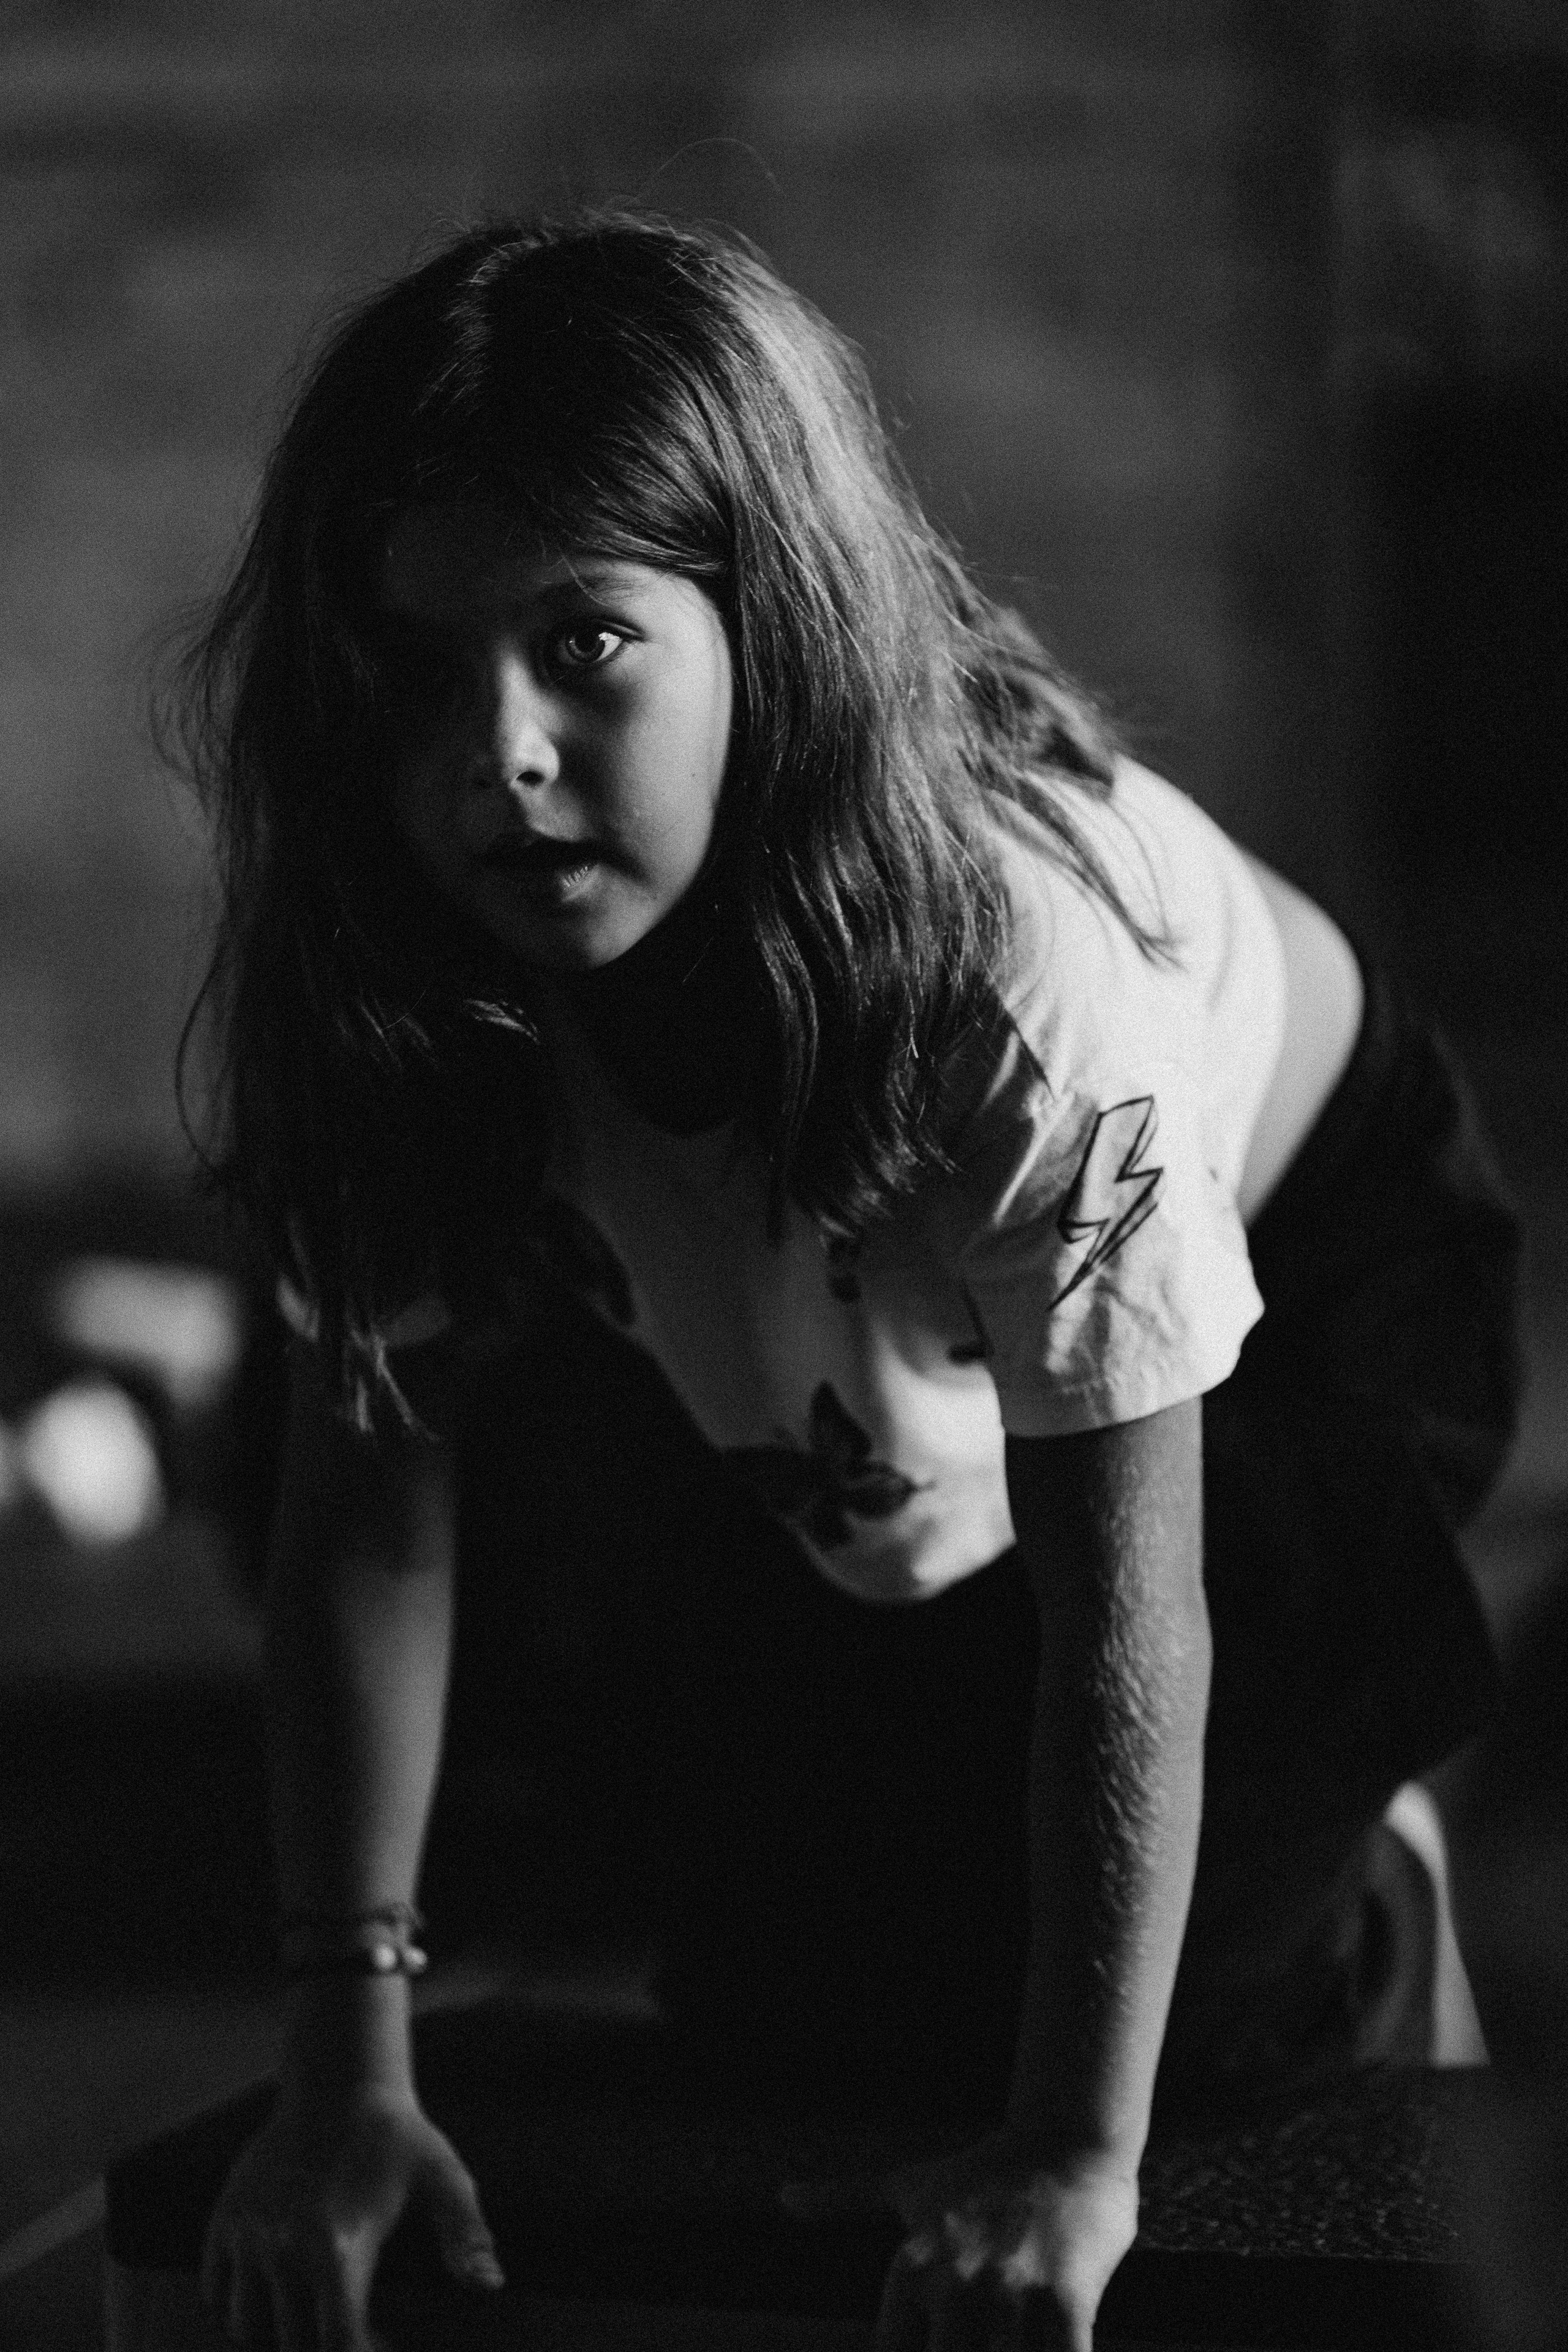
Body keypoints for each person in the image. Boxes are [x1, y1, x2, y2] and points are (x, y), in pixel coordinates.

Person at [179, 211, 1520, 2352]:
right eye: (419, 665)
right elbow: (370, 1521)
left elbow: (1124, 1607)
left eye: (585, 644)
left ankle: (1366, 1860)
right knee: (807, 2010)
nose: (496, 753)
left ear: (764, 626)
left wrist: (1082, 2158)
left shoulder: (1022, 977)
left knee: (1179, 2051)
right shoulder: (396, 959)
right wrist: (350, 2077)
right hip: (846, 1368)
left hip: (1302, 1288)